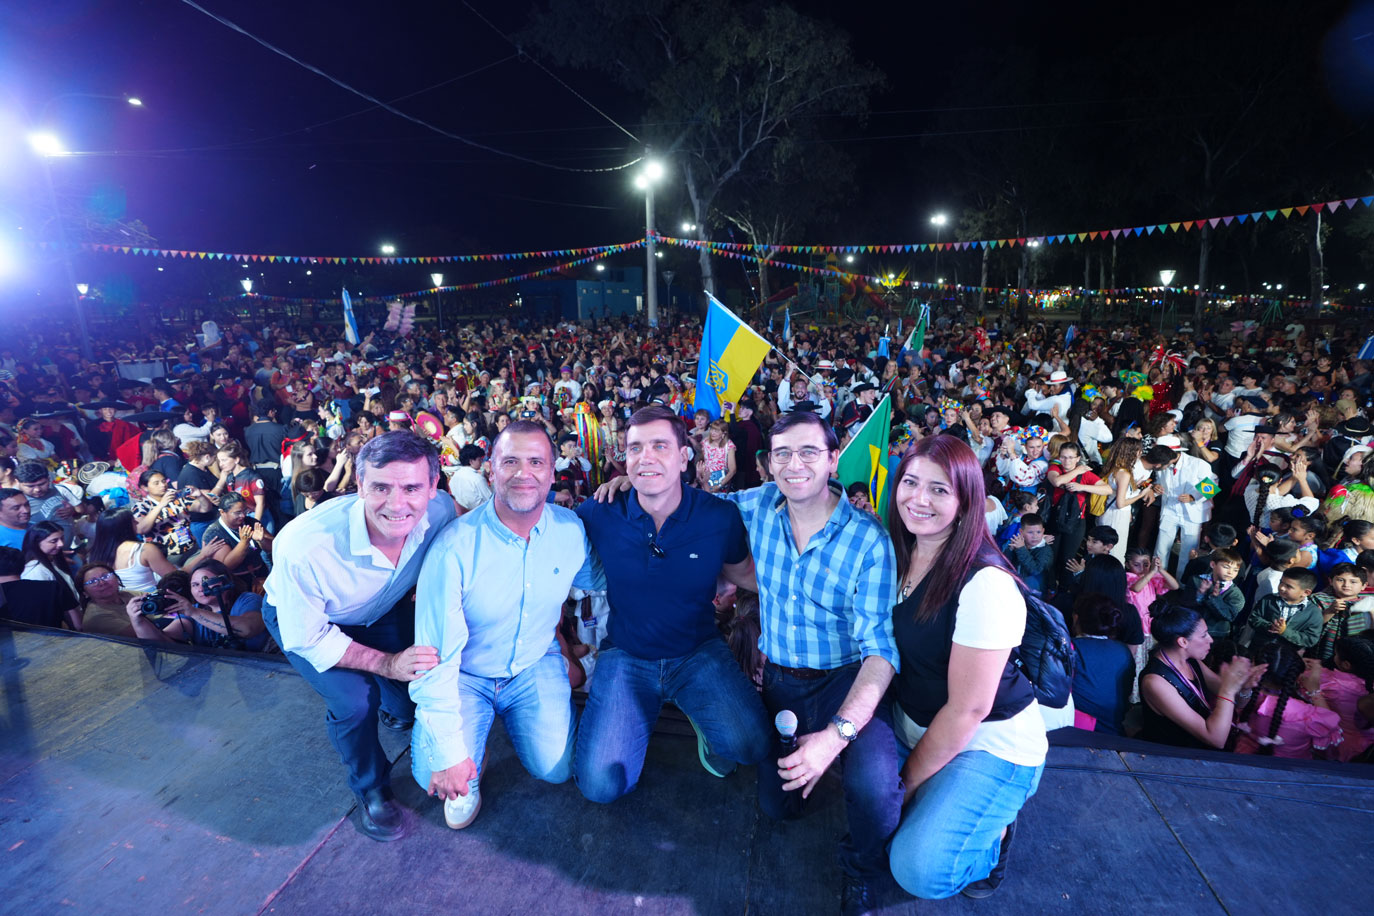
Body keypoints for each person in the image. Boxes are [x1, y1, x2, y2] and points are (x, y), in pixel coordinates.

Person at [723, 410, 900, 915]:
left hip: (848, 678)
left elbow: (880, 652)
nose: (793, 464)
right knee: (779, 808)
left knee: (873, 790)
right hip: (783, 682)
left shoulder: (869, 540)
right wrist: (628, 485)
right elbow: (688, 507)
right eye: (782, 453)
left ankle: (862, 868)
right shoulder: (757, 505)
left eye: (808, 452)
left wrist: (835, 736)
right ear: (768, 463)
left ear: (832, 459)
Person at [262, 431, 457, 841]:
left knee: (412, 697)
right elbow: (309, 637)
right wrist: (387, 663)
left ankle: (395, 706)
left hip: (381, 611)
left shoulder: (440, 510)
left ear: (433, 486)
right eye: (381, 487)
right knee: (354, 703)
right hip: (311, 622)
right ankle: (371, 787)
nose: (397, 504)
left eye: (411, 488)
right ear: (360, 485)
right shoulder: (303, 545)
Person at [410, 421, 602, 831]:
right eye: (510, 461)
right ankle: (471, 746)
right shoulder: (454, 547)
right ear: (491, 469)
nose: (523, 473)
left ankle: (497, 727)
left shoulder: (570, 530)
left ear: (552, 471)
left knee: (556, 769)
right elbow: (433, 657)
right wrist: (450, 753)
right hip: (465, 673)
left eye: (536, 462)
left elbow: (601, 581)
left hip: (534, 661)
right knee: (433, 775)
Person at [574, 406, 769, 805]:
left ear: (684, 457)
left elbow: (745, 574)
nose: (646, 457)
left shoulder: (719, 517)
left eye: (659, 446)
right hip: (627, 655)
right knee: (600, 787)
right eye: (635, 448)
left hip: (697, 651)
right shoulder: (600, 511)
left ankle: (703, 719)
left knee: (751, 746)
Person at [884, 435, 1046, 902]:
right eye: (910, 482)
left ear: (966, 500)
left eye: (939, 489)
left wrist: (904, 786)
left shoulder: (985, 583)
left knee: (918, 869)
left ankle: (993, 841)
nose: (918, 498)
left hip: (987, 743)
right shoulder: (899, 550)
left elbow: (968, 710)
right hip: (913, 723)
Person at [1138, 601, 1262, 750]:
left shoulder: (1191, 661)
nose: (1211, 639)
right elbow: (1216, 739)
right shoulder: (1155, 682)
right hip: (1171, 754)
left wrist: (1244, 686)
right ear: (1183, 642)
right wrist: (1228, 690)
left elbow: (1236, 701)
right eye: (1204, 635)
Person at [123, 561, 269, 650]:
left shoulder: (247, 600)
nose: (200, 589)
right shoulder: (192, 611)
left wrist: (193, 612)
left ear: (226, 581)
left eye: (206, 583)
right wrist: (138, 620)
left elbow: (248, 629)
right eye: (195, 584)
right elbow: (161, 644)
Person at [1233, 640, 1343, 759]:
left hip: (1242, 757)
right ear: (1296, 677)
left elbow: (1240, 703)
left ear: (1255, 668)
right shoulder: (1308, 715)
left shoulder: (1244, 696)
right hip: (1291, 766)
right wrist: (1314, 690)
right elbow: (1330, 726)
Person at [1069, 593, 1134, 735]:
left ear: (1076, 618)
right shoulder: (1123, 650)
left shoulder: (1070, 648)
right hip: (1115, 730)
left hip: (1077, 733)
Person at [0, 545, 80, 629]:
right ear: (23, 567)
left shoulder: (2, 595)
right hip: (52, 637)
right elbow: (78, 625)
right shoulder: (53, 588)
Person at [20, 521, 78, 608]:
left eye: (62, 538)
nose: (61, 544)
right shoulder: (36, 572)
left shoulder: (53, 560)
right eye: (54, 541)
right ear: (36, 542)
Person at [447, 443, 491, 513]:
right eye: (479, 459)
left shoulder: (454, 477)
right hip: (480, 514)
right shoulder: (477, 479)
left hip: (463, 515)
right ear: (471, 461)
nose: (481, 462)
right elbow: (491, 500)